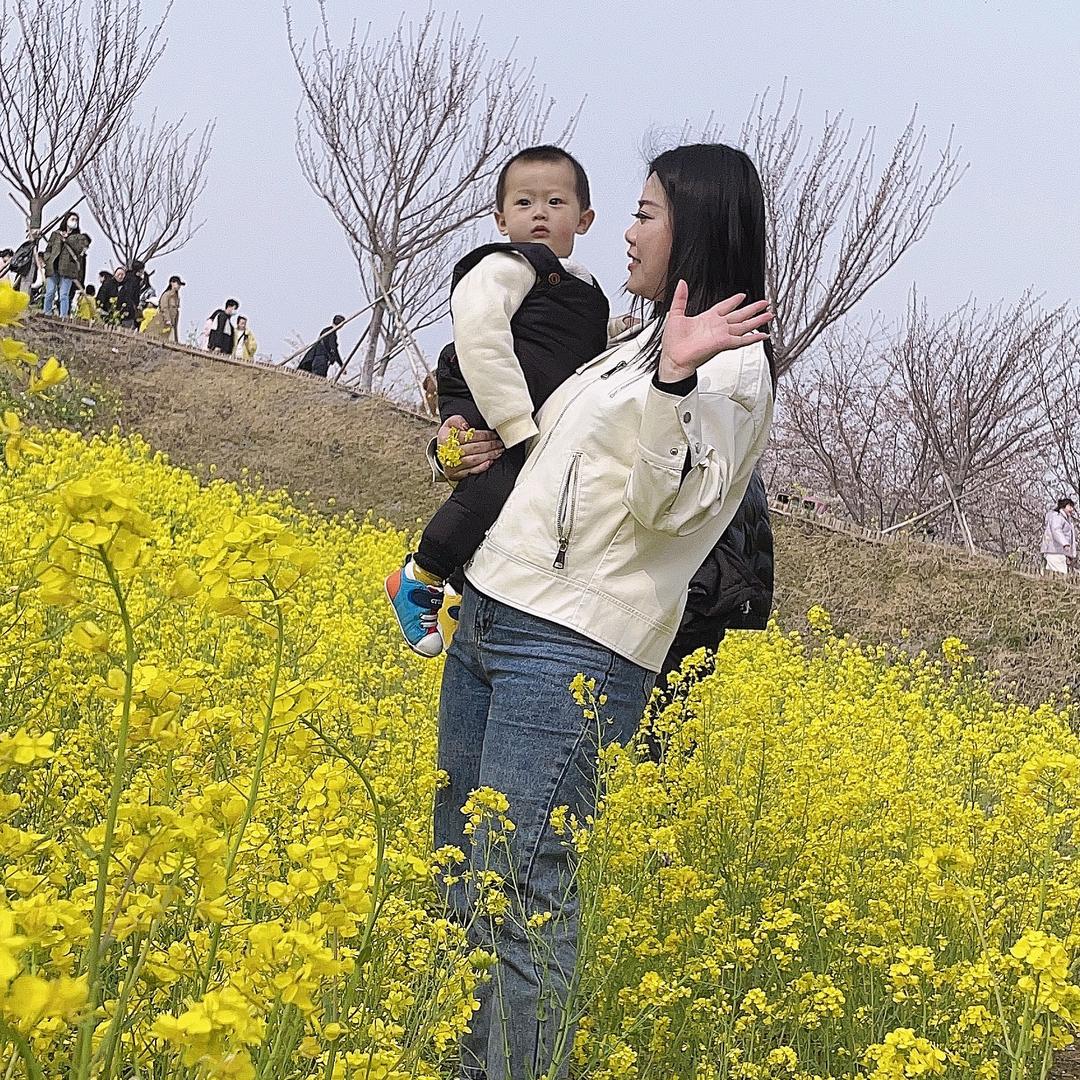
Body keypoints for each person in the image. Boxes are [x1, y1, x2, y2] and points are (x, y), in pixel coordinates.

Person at [431, 143, 774, 1080]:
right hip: (494, 611)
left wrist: (675, 382)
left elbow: (671, 507)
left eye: (646, 214)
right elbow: (539, 462)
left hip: (570, 647)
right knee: (459, 877)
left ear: (696, 230)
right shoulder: (630, 344)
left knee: (519, 893)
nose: (624, 233)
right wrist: (451, 451)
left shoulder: (731, 368)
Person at [386, 145, 620, 656]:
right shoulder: (507, 264)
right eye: (524, 202)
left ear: (584, 219)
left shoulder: (581, 284)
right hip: (487, 392)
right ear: (500, 219)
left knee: (512, 496)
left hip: (518, 400)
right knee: (495, 482)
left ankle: (460, 588)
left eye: (555, 202)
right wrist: (513, 422)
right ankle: (420, 574)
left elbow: (574, 347)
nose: (540, 213)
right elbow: (480, 331)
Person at [42, 213, 91, 317]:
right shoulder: (56, 234)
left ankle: (63, 315)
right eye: (72, 219)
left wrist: (67, 239)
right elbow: (48, 248)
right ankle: (47, 312)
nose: (74, 222)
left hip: (68, 269)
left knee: (64, 294)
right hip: (53, 267)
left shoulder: (79, 237)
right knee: (50, 292)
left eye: (76, 220)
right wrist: (48, 259)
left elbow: (80, 250)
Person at [1041, 497, 1076, 574]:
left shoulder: (1066, 520)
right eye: (1070, 507)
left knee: (1055, 574)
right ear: (1063, 506)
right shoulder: (1057, 517)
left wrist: (1070, 554)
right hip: (1055, 552)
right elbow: (1056, 530)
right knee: (1060, 574)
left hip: (1059, 553)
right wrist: (1065, 543)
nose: (1072, 509)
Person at [159, 275, 183, 342]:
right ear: (172, 283)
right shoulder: (166, 295)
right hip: (165, 322)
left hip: (173, 322)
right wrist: (167, 319)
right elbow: (164, 308)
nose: (179, 286)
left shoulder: (177, 297)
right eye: (178, 284)